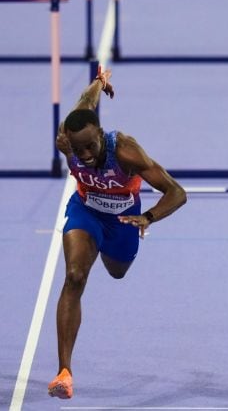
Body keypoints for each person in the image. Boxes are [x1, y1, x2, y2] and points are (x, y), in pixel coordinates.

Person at [48, 66, 187, 399]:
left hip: (124, 218)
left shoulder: (125, 151)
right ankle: (64, 372)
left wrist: (149, 217)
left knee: (117, 271)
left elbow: (176, 193)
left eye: (90, 147)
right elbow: (84, 102)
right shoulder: (68, 138)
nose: (84, 155)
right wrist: (99, 82)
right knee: (75, 275)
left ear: (100, 134)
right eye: (77, 150)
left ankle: (118, 249)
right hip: (86, 210)